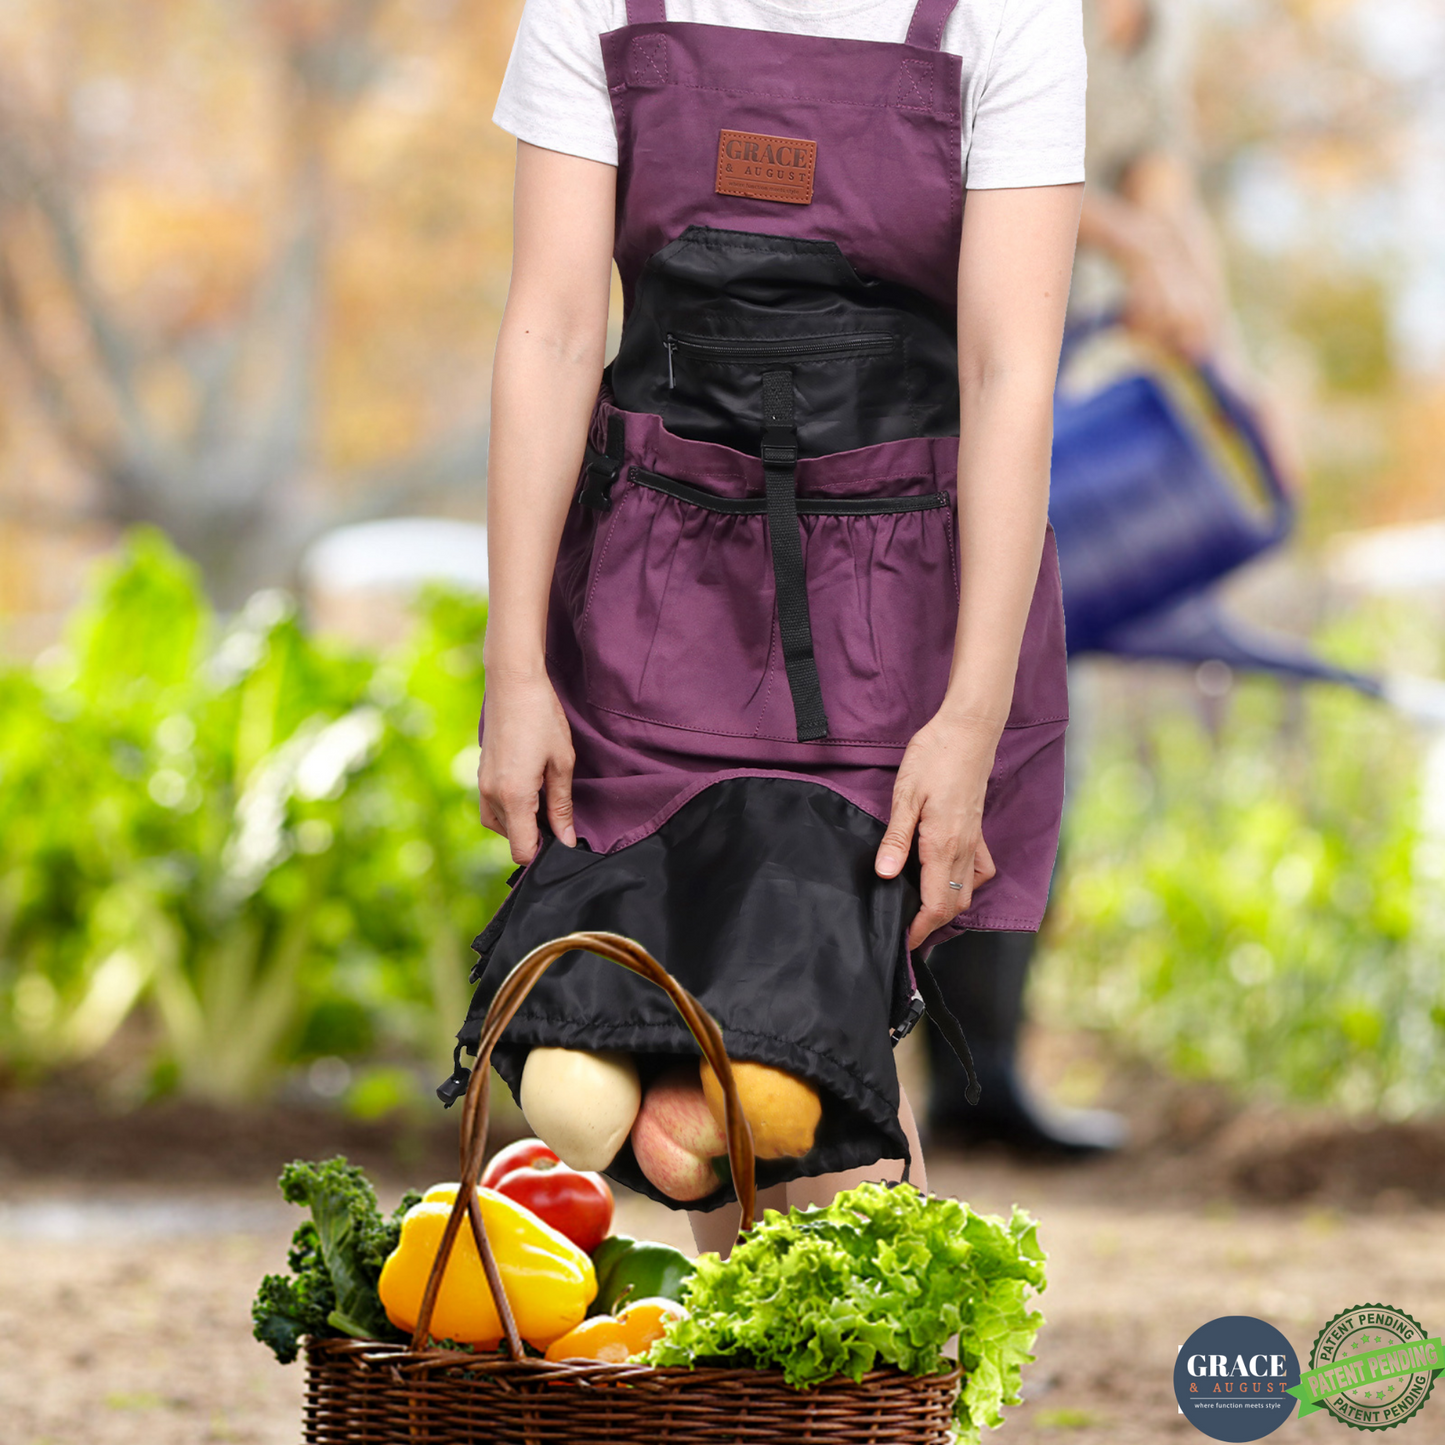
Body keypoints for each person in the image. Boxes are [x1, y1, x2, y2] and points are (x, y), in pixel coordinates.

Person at [458, 0, 1085, 1255]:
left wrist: (971, 717)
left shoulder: (1006, 15)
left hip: (895, 592)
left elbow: (1007, 373)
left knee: (814, 1042)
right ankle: (794, 1387)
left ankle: (863, 1383)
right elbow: (554, 325)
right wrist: (513, 663)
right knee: (692, 1060)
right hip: (652, 579)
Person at [923, 0, 1263, 1156]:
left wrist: (1228, 369)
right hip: (929, 359)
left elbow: (1166, 202)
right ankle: (813, 1057)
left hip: (1040, 385)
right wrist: (1132, 249)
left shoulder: (1145, 37)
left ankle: (980, 1075)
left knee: (1029, 727)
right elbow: (962, 155)